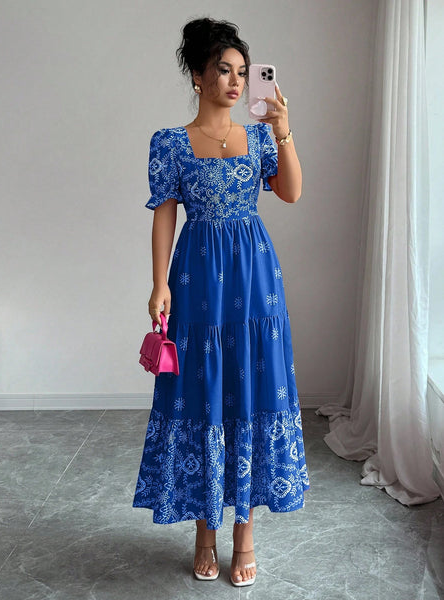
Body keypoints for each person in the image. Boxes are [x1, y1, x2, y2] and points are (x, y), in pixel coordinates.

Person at [133, 17, 309, 587]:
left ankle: (245, 536)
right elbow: (164, 215)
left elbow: (291, 192)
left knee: (252, 391)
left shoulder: (257, 138)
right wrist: (159, 283)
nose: (236, 82)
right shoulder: (169, 143)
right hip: (198, 283)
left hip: (255, 282)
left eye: (242, 72)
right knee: (205, 393)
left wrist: (283, 130)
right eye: (224, 71)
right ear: (197, 75)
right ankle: (205, 531)